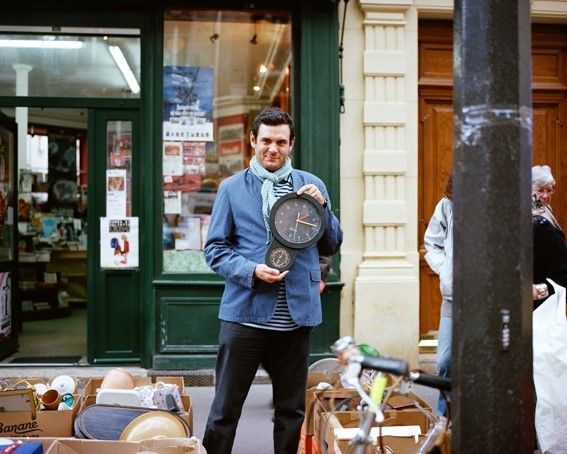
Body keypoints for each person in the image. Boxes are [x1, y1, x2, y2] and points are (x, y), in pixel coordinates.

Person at [202, 107, 343, 454]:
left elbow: (333, 243)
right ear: (253, 140)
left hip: (295, 317)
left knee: (291, 411)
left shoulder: (311, 186)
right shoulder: (232, 189)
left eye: (281, 142)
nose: (272, 149)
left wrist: (322, 208)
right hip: (245, 314)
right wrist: (250, 270)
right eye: (266, 140)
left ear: (291, 144)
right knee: (224, 412)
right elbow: (215, 250)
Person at [423, 174, 453, 418]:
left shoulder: (493, 202)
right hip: (454, 299)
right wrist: (446, 270)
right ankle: (445, 421)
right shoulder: (447, 205)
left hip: (486, 300)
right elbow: (432, 244)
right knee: (445, 362)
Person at [531, 165, 567, 309]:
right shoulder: (533, 217)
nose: (545, 196)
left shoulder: (543, 211)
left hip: (543, 301)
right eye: (540, 190)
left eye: (549, 190)